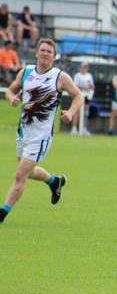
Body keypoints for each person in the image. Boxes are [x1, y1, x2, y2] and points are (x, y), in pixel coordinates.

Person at [0, 38, 83, 224]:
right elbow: (10, 90)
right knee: (28, 172)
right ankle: (54, 181)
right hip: (23, 133)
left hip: (41, 136)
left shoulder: (59, 77)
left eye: (49, 52)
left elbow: (78, 95)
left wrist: (70, 111)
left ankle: (2, 212)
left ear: (54, 56)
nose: (45, 54)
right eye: (42, 50)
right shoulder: (26, 72)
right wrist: (11, 97)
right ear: (36, 53)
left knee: (20, 174)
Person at [72, 62, 95, 135]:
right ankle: (74, 128)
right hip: (79, 96)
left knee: (86, 113)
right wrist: (83, 86)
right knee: (77, 112)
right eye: (84, 67)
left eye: (86, 67)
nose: (85, 69)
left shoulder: (89, 76)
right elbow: (74, 85)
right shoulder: (77, 75)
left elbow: (92, 86)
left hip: (87, 96)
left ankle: (84, 129)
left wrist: (90, 86)